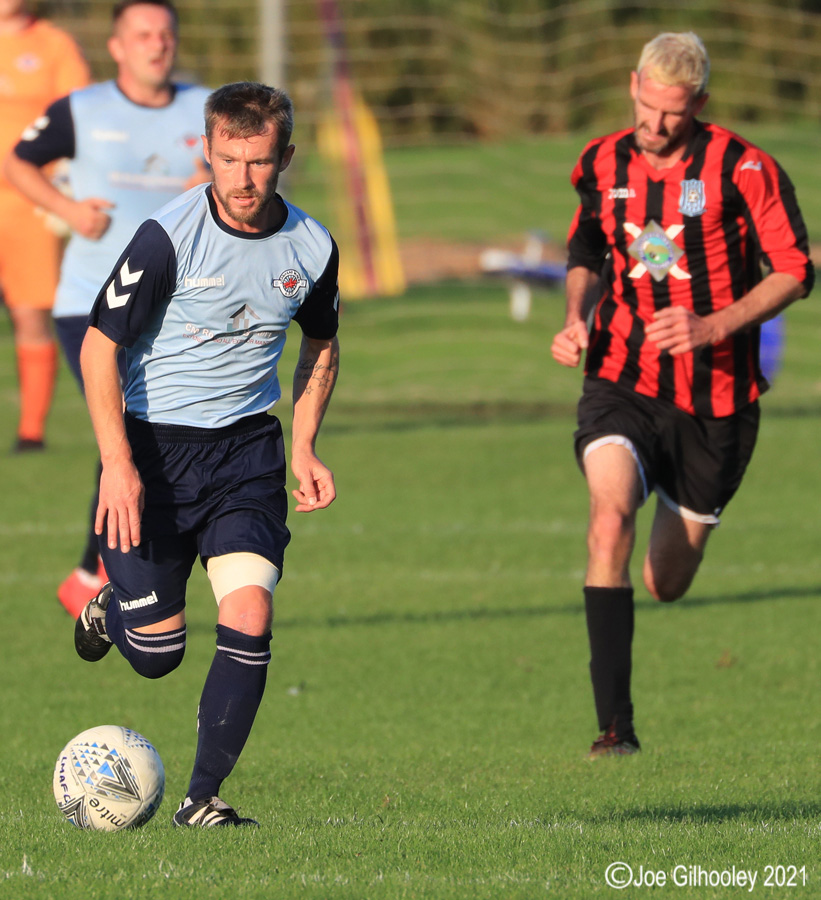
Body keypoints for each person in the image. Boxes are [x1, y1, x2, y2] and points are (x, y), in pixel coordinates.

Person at [72, 81, 340, 827]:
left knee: (250, 612)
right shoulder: (168, 236)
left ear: (284, 156)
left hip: (245, 456)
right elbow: (100, 351)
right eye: (227, 160)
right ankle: (113, 605)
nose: (242, 179)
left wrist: (307, 444)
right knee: (157, 656)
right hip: (153, 453)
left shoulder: (311, 245)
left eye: (258, 162)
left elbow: (320, 344)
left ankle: (201, 798)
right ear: (206, 151)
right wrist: (118, 465)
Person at [550, 32, 813, 758]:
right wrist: (575, 317)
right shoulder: (600, 161)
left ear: (698, 102)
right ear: (631, 82)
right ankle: (614, 728)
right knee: (607, 518)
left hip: (716, 398)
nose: (654, 126)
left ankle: (676, 528)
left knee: (666, 583)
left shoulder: (745, 166)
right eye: (645, 106)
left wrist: (712, 325)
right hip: (620, 377)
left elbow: (793, 269)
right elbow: (585, 252)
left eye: (671, 114)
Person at [4, 0, 211, 617]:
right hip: (89, 304)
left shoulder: (206, 108)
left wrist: (208, 184)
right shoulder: (83, 109)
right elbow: (19, 161)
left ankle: (93, 575)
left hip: (169, 307)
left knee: (143, 431)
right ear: (118, 47)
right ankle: (102, 579)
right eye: (142, 35)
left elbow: (244, 182)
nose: (156, 44)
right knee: (122, 424)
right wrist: (68, 213)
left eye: (166, 34)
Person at [0, 0, 89, 453]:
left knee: (30, 312)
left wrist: (61, 186)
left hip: (26, 201)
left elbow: (80, 116)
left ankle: (30, 431)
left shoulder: (54, 45)